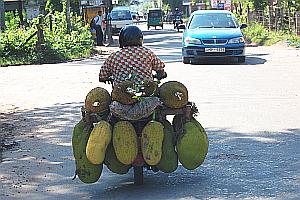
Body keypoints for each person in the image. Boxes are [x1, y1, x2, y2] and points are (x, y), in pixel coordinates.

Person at [99, 25, 166, 85]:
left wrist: (109, 78)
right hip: (146, 93)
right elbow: (160, 70)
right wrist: (160, 75)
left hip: (121, 95)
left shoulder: (113, 57)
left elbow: (102, 77)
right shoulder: (147, 53)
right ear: (140, 39)